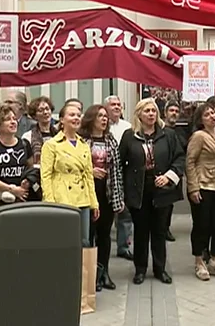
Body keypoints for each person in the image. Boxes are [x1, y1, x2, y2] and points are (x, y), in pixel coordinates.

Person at [119, 98, 185, 285]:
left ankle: (160, 269)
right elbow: (119, 163)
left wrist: (169, 176)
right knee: (141, 232)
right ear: (139, 114)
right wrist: (122, 192)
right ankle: (140, 270)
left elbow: (180, 158)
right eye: (147, 111)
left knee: (159, 231)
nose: (151, 114)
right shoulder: (129, 136)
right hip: (138, 191)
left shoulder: (168, 135)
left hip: (162, 190)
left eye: (154, 111)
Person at [0, 104, 33, 308]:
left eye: (14, 118)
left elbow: (30, 167)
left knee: (18, 243)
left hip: (20, 198)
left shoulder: (24, 145)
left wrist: (25, 183)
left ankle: (16, 284)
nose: (13, 122)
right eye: (7, 119)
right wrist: (11, 188)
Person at [78, 104, 124, 291]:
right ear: (91, 119)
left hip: (107, 194)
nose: (104, 119)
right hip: (87, 194)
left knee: (105, 235)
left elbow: (118, 170)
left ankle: (104, 272)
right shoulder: (81, 141)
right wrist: (90, 171)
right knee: (89, 236)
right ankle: (90, 275)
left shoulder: (111, 141)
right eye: (100, 116)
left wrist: (119, 198)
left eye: (106, 116)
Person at [42, 103, 98, 246]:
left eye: (78, 115)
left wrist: (94, 203)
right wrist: (49, 202)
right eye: (71, 115)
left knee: (84, 242)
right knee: (63, 242)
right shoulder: (51, 145)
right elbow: (46, 176)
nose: (76, 118)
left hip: (83, 199)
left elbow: (89, 176)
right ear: (61, 119)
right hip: (62, 198)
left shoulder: (84, 145)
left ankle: (81, 269)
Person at [186, 103, 215, 281]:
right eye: (207, 115)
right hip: (203, 185)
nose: (212, 116)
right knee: (202, 225)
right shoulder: (199, 136)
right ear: (200, 119)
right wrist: (193, 187)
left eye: (213, 113)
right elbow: (190, 161)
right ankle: (199, 261)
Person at [106, 95, 133, 261]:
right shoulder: (101, 125)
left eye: (119, 105)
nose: (116, 107)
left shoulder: (128, 127)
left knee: (125, 212)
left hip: (123, 171)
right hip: (104, 172)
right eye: (113, 105)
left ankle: (123, 246)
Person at [162, 100, 187, 242]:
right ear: (165, 113)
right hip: (163, 171)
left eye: (177, 111)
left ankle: (167, 228)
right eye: (171, 111)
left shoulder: (182, 131)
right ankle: (161, 228)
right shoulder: (161, 129)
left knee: (171, 202)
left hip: (176, 170)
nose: (174, 114)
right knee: (163, 201)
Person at [22, 96, 58, 165]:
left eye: (47, 109)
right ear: (35, 116)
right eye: (41, 110)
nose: (45, 112)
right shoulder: (28, 136)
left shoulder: (59, 134)